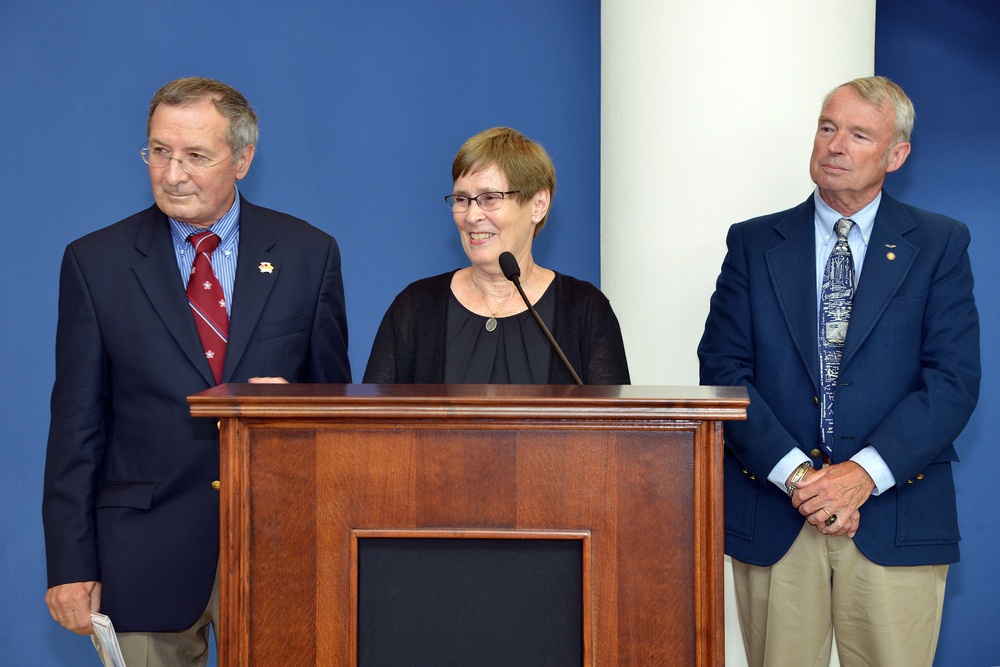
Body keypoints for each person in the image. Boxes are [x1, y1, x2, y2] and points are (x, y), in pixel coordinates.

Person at [42, 77, 351, 665]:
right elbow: (76, 426)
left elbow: (333, 414)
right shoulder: (95, 262)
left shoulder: (310, 254)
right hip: (142, 556)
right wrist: (70, 564)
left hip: (279, 550)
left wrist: (293, 404)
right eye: (159, 152)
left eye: (195, 156)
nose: (173, 173)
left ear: (243, 158)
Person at [698, 75, 980, 666]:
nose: (835, 145)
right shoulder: (753, 243)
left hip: (895, 513)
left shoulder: (939, 244)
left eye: (858, 134)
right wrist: (801, 479)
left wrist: (861, 476)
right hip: (778, 513)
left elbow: (952, 382)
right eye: (828, 127)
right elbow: (724, 372)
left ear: (895, 154)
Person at [364, 126, 629, 385]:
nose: (471, 216)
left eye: (489, 198)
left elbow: (614, 427)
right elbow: (371, 425)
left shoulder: (585, 311)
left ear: (538, 205)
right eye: (461, 199)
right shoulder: (415, 309)